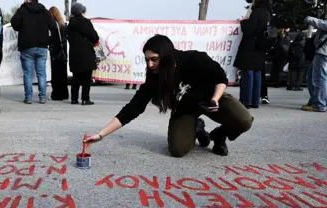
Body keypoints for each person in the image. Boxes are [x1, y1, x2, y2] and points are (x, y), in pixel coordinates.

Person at [84, 35, 253, 157]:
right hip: (185, 110)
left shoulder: (194, 59)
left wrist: (215, 98)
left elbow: (220, 78)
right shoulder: (154, 78)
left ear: (166, 56)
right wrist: (101, 134)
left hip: (211, 99)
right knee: (177, 150)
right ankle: (196, 127)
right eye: (147, 60)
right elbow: (132, 109)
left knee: (244, 120)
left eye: (154, 59)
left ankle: (219, 135)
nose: (150, 64)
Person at [11, 0, 56, 104]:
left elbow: (14, 24)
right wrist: (48, 39)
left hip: (27, 46)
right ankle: (42, 97)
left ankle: (28, 97)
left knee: (27, 73)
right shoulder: (45, 11)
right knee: (41, 73)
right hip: (42, 46)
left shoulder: (22, 10)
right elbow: (53, 26)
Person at [234, 0, 272, 109]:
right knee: (257, 73)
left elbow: (250, 28)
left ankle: (246, 100)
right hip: (260, 47)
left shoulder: (257, 12)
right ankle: (255, 100)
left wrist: (243, 22)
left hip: (251, 47)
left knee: (248, 73)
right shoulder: (267, 13)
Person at [67, 2, 99, 105]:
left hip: (74, 53)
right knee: (86, 77)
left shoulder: (70, 24)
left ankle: (74, 99)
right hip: (86, 54)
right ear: (81, 12)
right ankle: (85, 99)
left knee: (75, 77)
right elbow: (94, 38)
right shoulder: (86, 23)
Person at [303, 15, 327, 112]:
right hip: (321, 51)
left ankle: (319, 103)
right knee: (311, 77)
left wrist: (310, 19)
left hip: (323, 51)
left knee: (319, 78)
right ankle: (316, 100)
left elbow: (323, 24)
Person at [48, 6, 69, 101]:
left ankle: (56, 94)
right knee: (63, 74)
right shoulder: (63, 24)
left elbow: (52, 39)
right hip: (63, 52)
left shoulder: (54, 26)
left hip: (56, 52)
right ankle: (64, 94)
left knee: (56, 74)